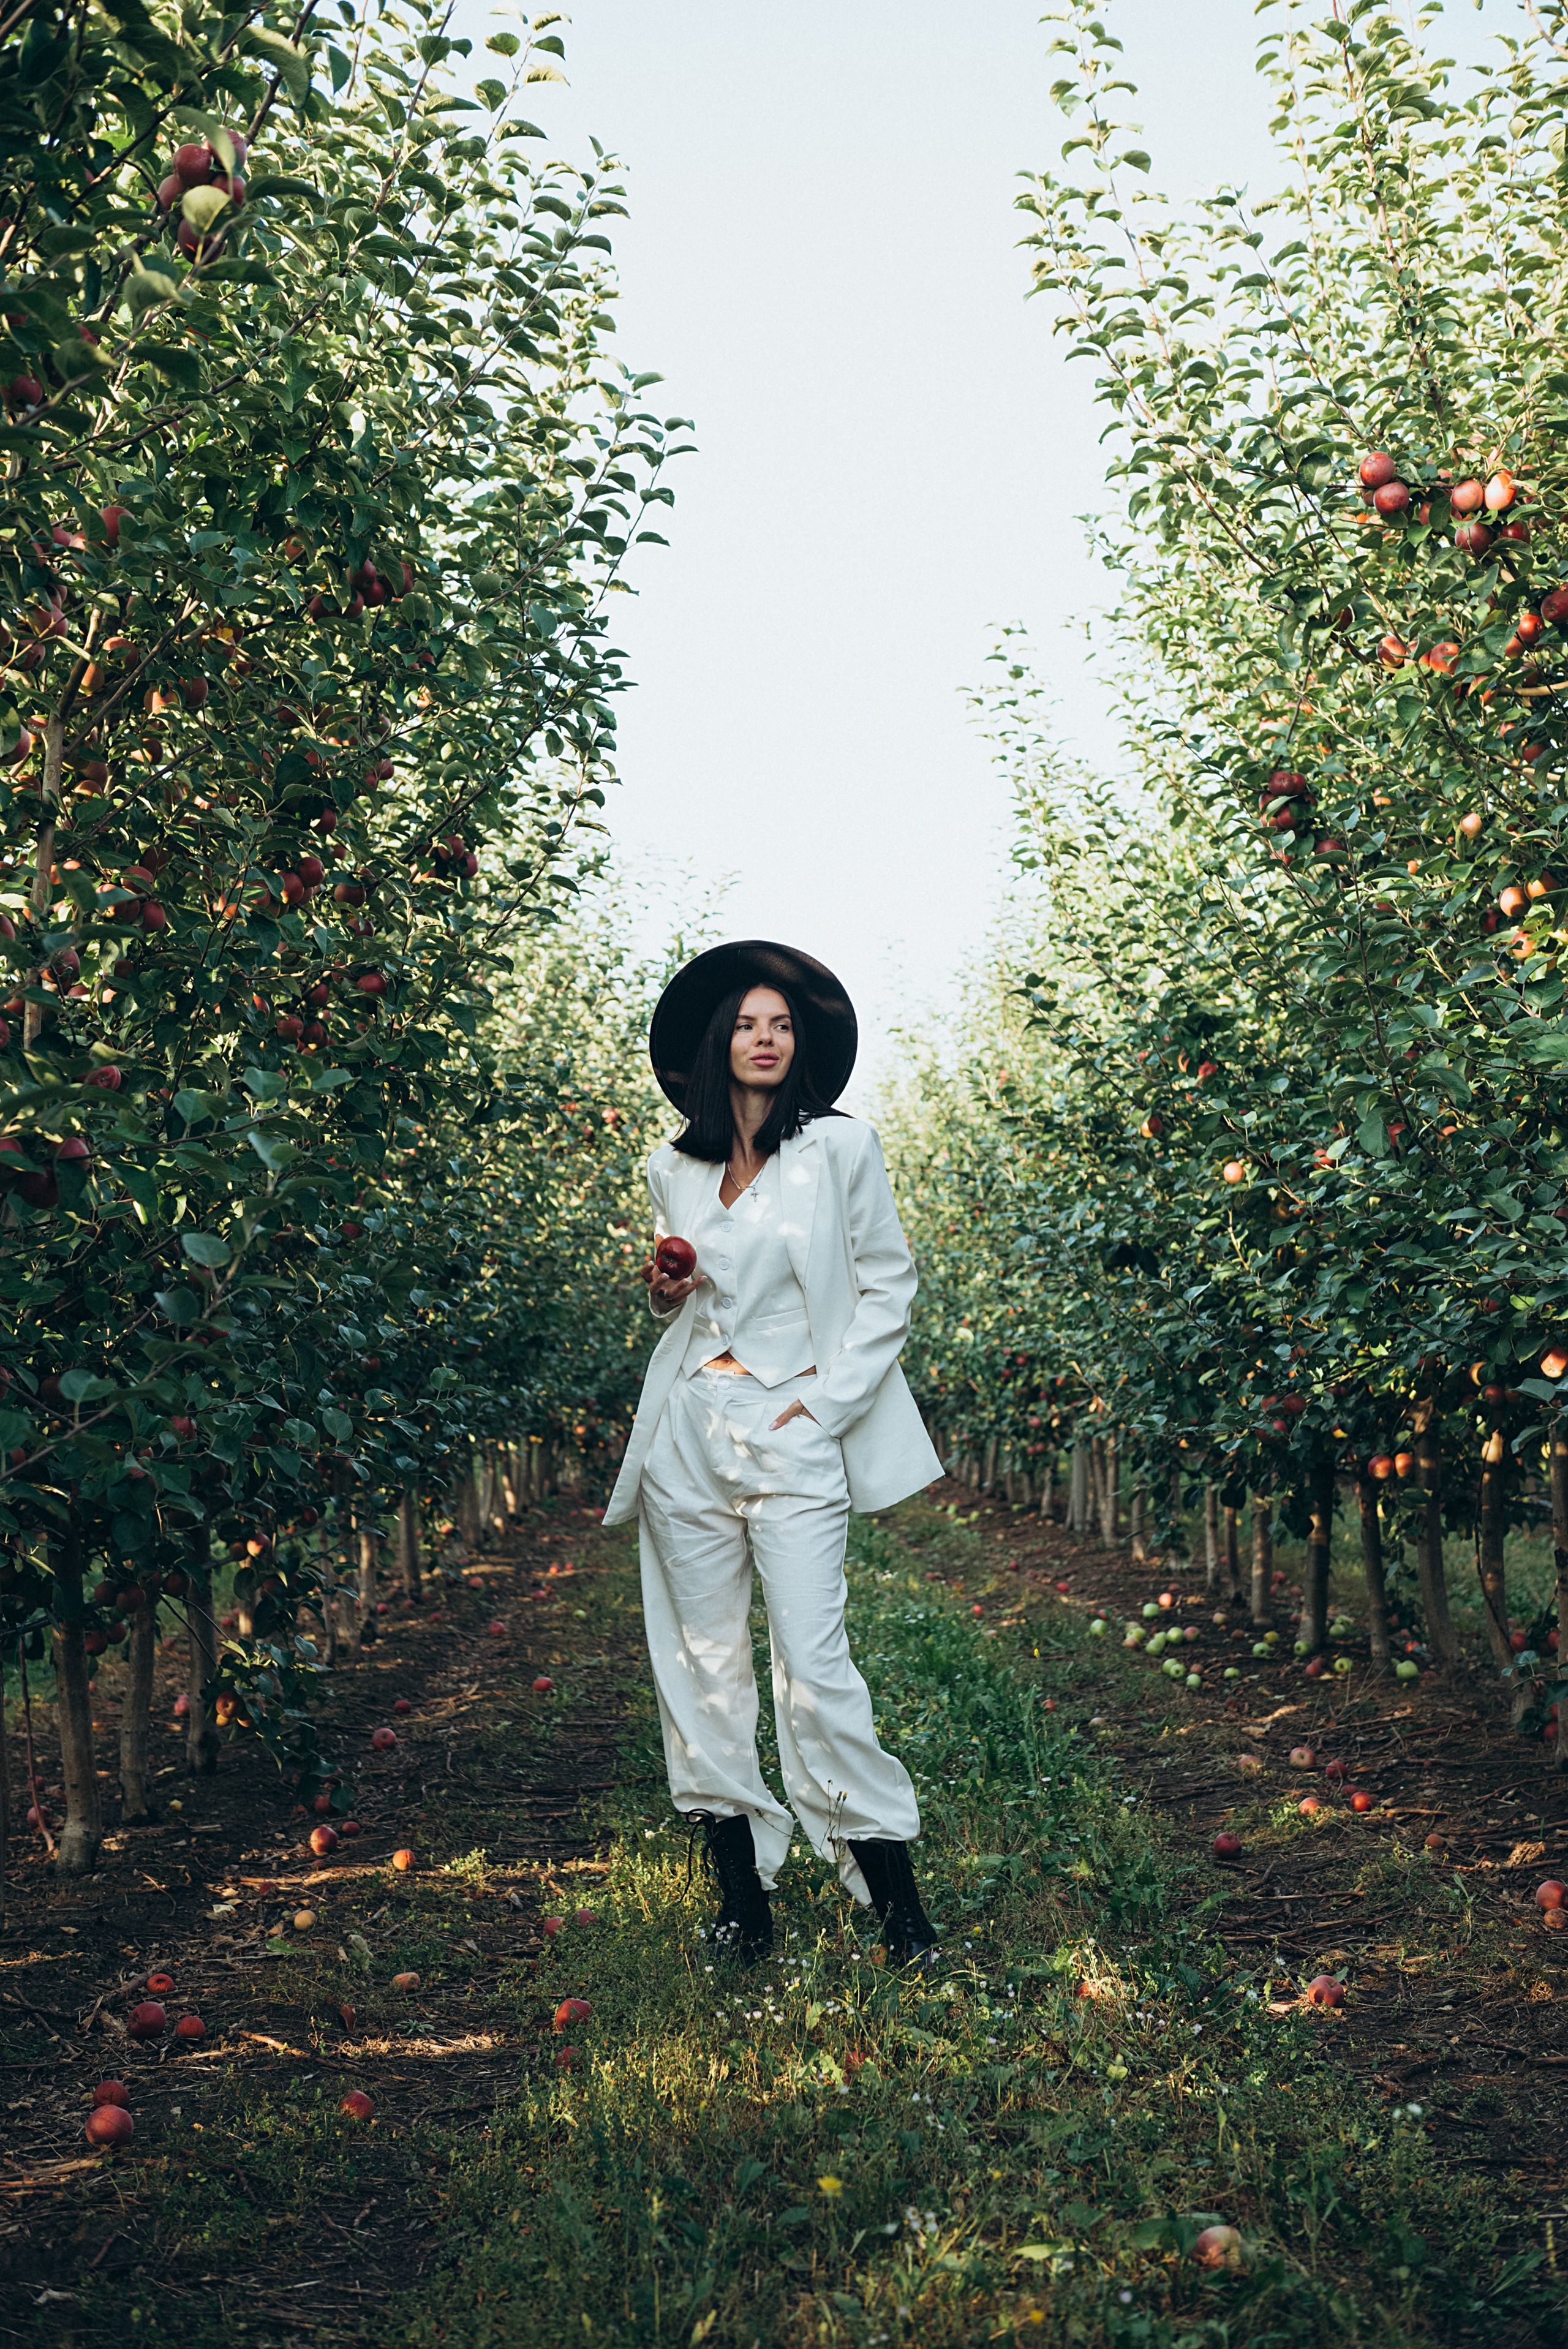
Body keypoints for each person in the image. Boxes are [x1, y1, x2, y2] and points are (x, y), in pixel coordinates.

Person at [604, 939, 944, 1967]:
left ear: (803, 1046)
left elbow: (888, 1283)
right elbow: (690, 1290)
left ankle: (896, 1910)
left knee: (816, 1663)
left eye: (782, 1025)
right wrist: (666, 1291)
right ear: (720, 1041)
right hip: (691, 1436)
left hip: (794, 1427)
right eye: (749, 1023)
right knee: (700, 1663)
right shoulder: (675, 1164)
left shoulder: (840, 1149)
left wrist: (826, 1409)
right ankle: (742, 1905)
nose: (765, 1038)